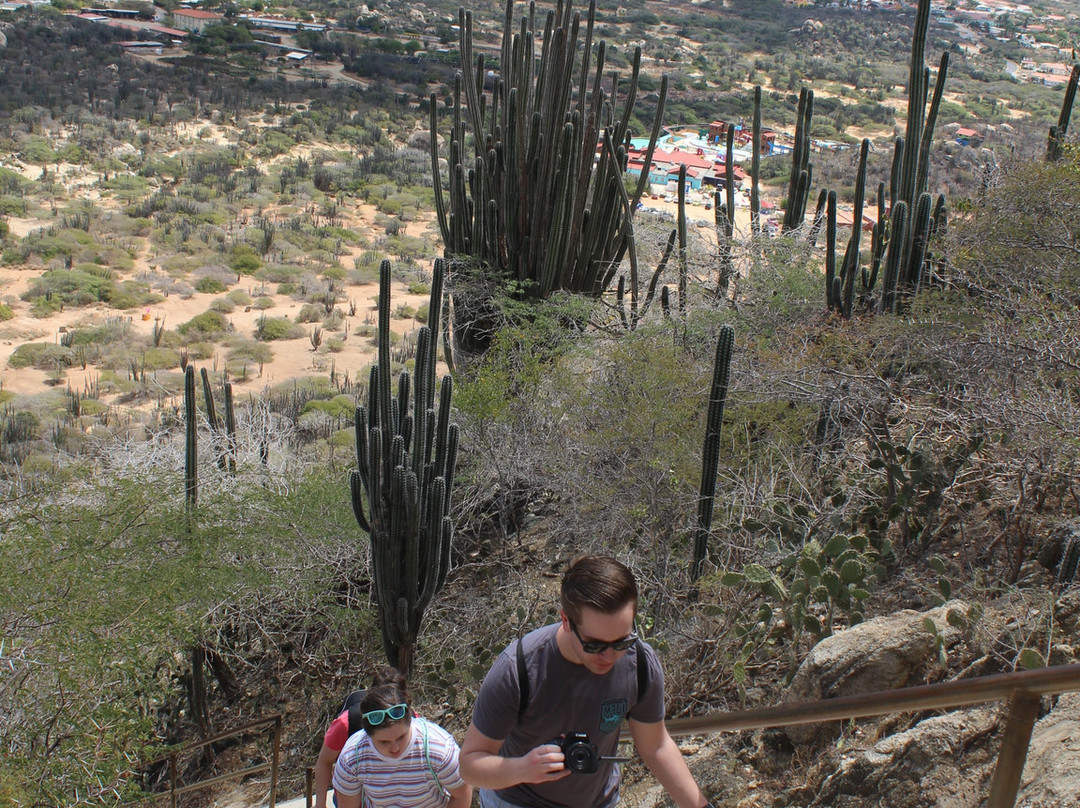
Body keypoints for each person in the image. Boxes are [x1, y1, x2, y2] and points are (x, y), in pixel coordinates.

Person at [460, 555, 712, 808]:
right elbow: (470, 765)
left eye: (621, 642)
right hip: (519, 800)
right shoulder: (518, 670)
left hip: (600, 801)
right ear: (566, 621)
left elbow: (655, 746)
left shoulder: (641, 664)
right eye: (595, 645)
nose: (609, 656)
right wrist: (523, 768)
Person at [327, 667, 472, 808]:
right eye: (384, 742)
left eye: (401, 737)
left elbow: (462, 795)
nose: (395, 748)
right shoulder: (352, 757)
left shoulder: (438, 748)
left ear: (411, 721)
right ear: (367, 734)